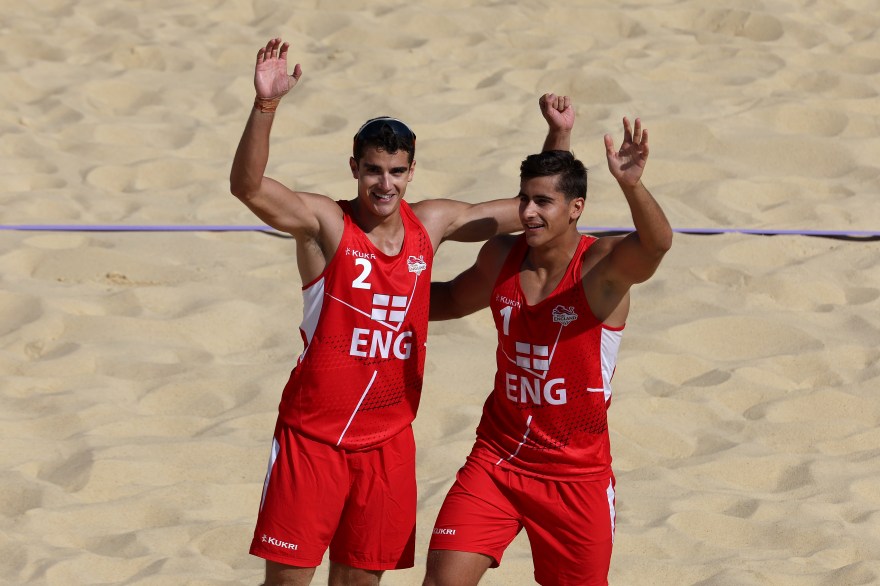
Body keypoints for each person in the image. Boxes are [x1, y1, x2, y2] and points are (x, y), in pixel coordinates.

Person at [229, 37, 575, 586]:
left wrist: (558, 137)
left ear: (411, 172)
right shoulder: (326, 225)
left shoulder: (430, 224)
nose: (383, 184)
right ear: (354, 169)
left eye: (395, 171)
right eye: (372, 171)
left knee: (360, 581)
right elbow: (247, 187)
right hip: (314, 437)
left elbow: (532, 210)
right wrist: (265, 106)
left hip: (390, 440)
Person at [422, 118, 673, 586]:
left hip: (574, 478)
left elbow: (657, 244)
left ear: (576, 208)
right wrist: (382, 296)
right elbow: (453, 299)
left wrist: (633, 186)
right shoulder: (502, 256)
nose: (529, 212)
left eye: (543, 202)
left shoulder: (600, 268)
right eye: (524, 199)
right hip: (497, 460)